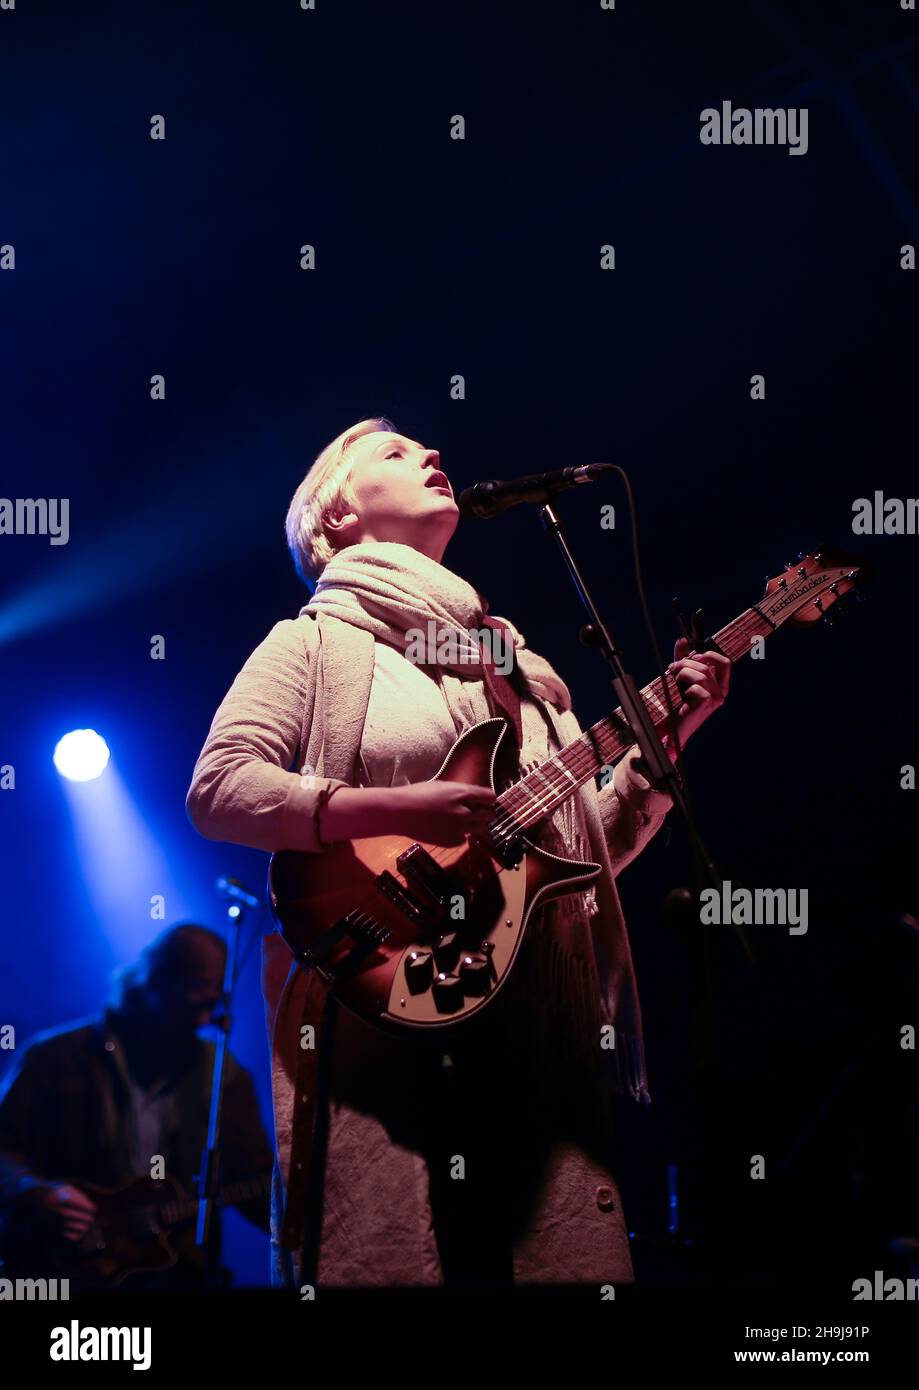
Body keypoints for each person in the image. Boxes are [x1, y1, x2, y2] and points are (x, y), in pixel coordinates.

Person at [185, 417, 731, 1289]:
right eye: (393, 454)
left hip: (534, 1038)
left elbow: (575, 860)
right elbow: (220, 790)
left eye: (425, 448)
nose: (431, 454)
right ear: (335, 522)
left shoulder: (517, 668)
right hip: (387, 1017)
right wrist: (403, 807)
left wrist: (666, 737)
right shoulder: (317, 644)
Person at [0, 924, 273, 1288]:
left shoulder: (222, 1073)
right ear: (152, 984)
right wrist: (35, 1193)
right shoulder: (54, 1056)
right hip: (63, 1275)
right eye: (192, 1002)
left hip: (178, 1275)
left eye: (212, 1006)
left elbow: (254, 1182)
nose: (204, 1021)